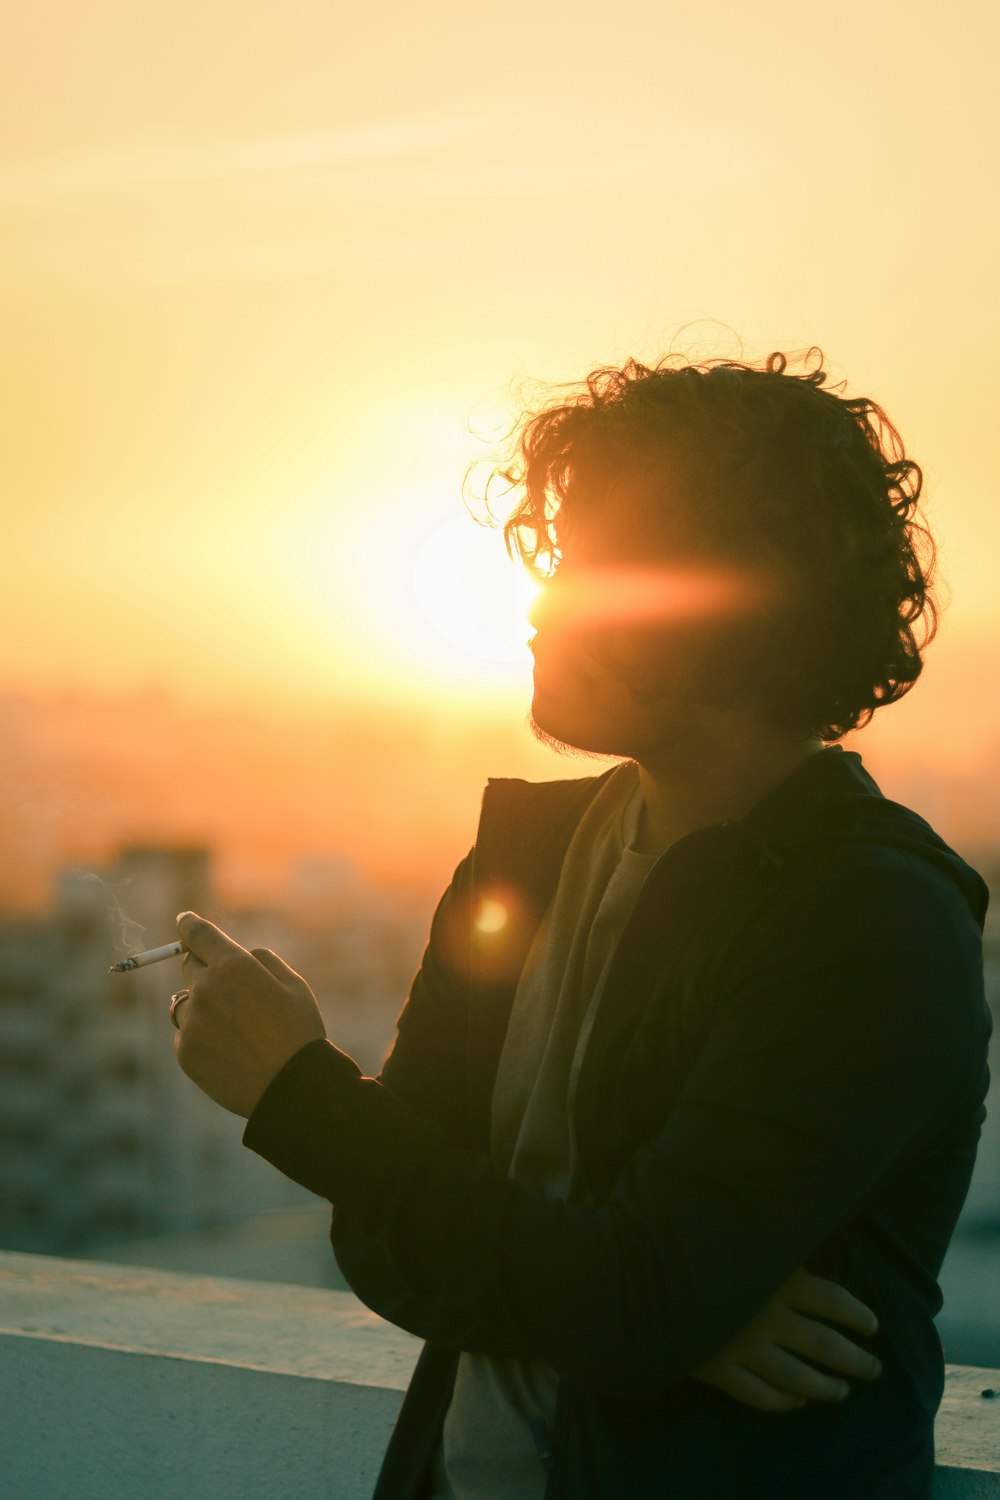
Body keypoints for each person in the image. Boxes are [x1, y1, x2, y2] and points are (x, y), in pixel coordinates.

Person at [171, 348, 991, 1499]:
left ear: (732, 604)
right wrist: (643, 1316)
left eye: (594, 568)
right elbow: (383, 1233)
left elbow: (606, 1285)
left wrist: (297, 1095)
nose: (541, 606)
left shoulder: (869, 920)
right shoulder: (528, 858)